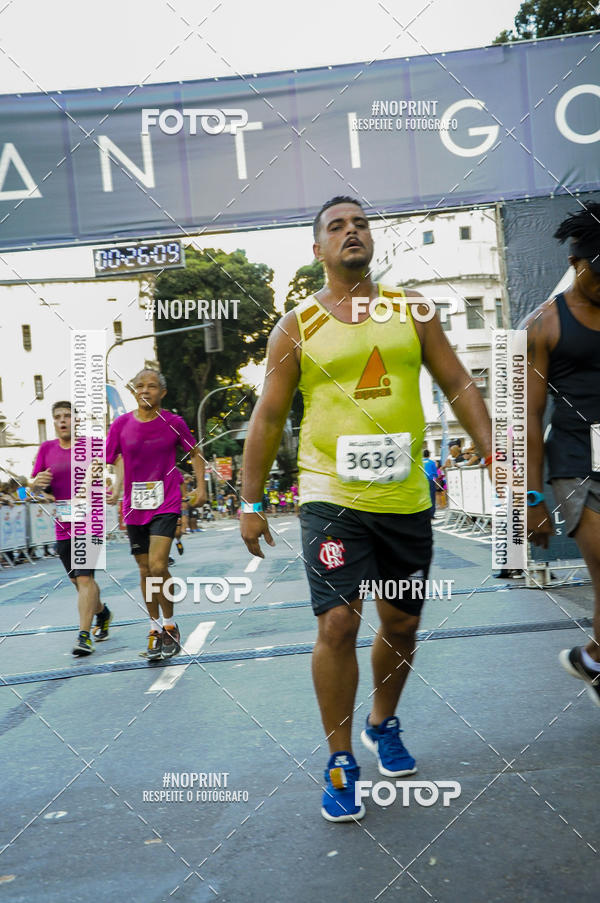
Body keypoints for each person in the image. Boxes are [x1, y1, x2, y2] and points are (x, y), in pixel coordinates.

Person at [240, 195, 493, 821]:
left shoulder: (413, 310)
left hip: (405, 498)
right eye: (336, 226)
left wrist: (499, 454)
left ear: (370, 239)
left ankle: (383, 722)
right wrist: (249, 501)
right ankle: (339, 758)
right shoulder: (297, 325)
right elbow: (268, 415)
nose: (351, 232)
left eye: (360, 224)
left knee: (401, 624)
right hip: (332, 496)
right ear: (318, 249)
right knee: (338, 625)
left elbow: (458, 382)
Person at [523, 202, 600, 707]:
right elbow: (526, 417)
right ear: (577, 264)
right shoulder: (544, 325)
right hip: (574, 463)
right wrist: (530, 497)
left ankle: (594, 659)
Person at [106, 369, 206, 660]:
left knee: (158, 564)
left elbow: (195, 453)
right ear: (134, 391)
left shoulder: (172, 422)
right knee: (145, 570)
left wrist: (201, 488)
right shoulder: (121, 425)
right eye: (140, 386)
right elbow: (117, 459)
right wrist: (116, 487)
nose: (145, 390)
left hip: (166, 501)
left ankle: (170, 624)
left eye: (151, 386)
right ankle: (153, 628)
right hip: (135, 505)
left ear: (162, 392)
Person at [29, 401, 111, 655]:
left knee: (85, 578)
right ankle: (103, 612)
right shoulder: (46, 449)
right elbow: (31, 490)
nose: (63, 420)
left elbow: (97, 471)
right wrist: (35, 484)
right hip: (63, 523)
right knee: (78, 583)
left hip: (90, 521)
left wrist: (85, 491)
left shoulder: (90, 445)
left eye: (67, 416)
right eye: (58, 417)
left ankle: (84, 636)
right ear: (53, 422)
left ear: (77, 420)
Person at [422, 449, 438, 517]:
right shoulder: (432, 462)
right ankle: (431, 513)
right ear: (429, 455)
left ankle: (425, 513)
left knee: (423, 497)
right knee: (432, 497)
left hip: (422, 482)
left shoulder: (420, 462)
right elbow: (435, 473)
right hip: (430, 480)